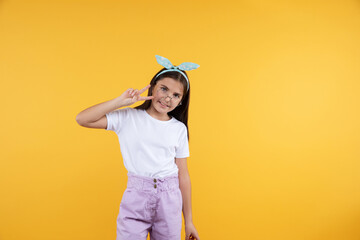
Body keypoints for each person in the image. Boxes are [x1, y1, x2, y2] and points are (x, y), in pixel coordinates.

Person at [76, 55, 201, 240]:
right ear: (152, 87)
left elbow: (183, 175)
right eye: (163, 89)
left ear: (181, 101)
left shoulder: (178, 129)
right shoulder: (128, 117)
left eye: (176, 95)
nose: (168, 98)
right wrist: (120, 101)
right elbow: (82, 119)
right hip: (136, 197)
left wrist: (189, 221)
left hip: (170, 199)